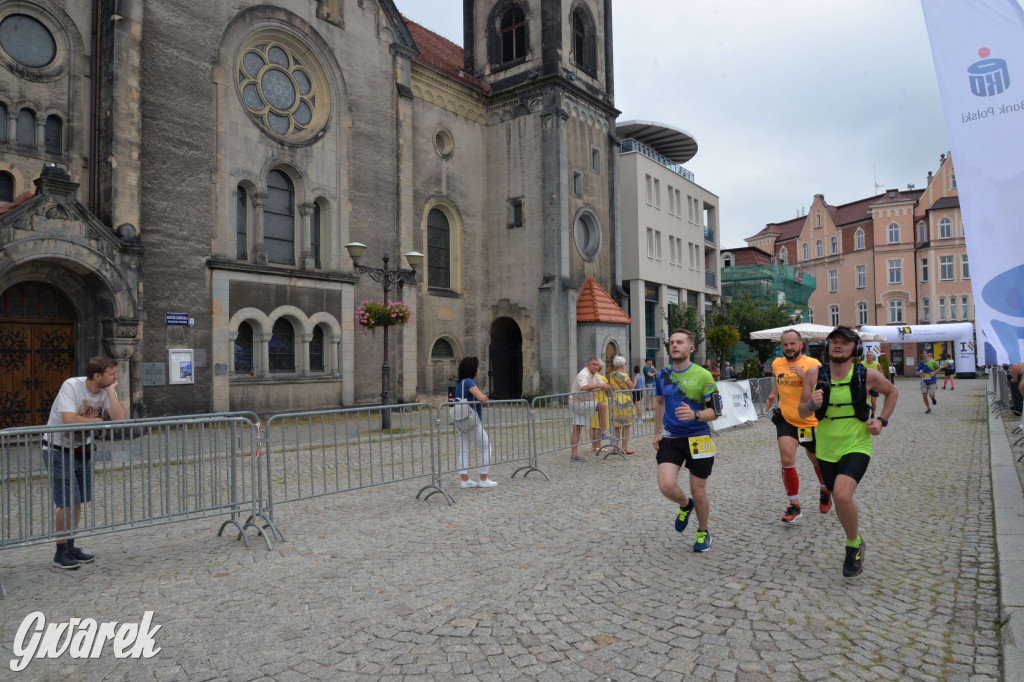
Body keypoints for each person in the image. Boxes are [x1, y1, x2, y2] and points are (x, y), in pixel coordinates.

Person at [798, 326, 898, 577]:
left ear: (856, 348)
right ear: (827, 346)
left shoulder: (867, 374)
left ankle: (853, 546)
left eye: (845, 342)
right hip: (826, 447)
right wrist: (812, 403)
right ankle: (855, 537)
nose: (838, 346)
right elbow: (802, 411)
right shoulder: (813, 374)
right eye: (834, 341)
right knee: (840, 499)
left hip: (857, 444)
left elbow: (892, 392)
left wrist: (882, 421)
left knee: (842, 496)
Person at [44, 356, 127, 569]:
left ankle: (70, 547)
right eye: (112, 373)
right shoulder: (72, 386)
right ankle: (60, 553)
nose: (116, 376)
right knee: (68, 501)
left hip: (83, 450)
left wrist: (110, 392)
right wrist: (98, 421)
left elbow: (119, 419)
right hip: (58, 450)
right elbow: (69, 420)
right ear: (97, 376)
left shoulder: (106, 389)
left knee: (78, 501)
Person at [654, 329, 721, 553]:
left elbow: (715, 413)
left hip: (699, 436)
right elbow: (660, 403)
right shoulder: (662, 375)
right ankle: (685, 505)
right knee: (666, 486)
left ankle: (703, 532)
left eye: (680, 342)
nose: (674, 345)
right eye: (672, 342)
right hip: (672, 437)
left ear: (690, 348)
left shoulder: (704, 376)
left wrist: (695, 415)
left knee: (699, 490)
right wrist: (657, 433)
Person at [765, 329, 831, 523]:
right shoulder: (777, 363)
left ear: (801, 345)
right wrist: (772, 394)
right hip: (786, 418)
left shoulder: (813, 364)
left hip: (810, 420)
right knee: (786, 458)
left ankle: (824, 488)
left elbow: (823, 389)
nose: (789, 347)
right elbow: (779, 381)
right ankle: (794, 505)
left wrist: (804, 376)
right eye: (785, 344)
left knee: (816, 460)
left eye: (792, 344)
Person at [454, 356, 497, 489]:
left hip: (462, 421)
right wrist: (485, 398)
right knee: (486, 447)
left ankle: (464, 479)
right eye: (477, 367)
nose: (478, 369)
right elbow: (481, 397)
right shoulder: (469, 382)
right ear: (472, 369)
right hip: (472, 422)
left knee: (464, 450)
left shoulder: (459, 383)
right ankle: (483, 478)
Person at [569, 357, 613, 462]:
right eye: (594, 364)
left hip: (582, 403)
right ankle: (603, 431)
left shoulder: (595, 374)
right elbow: (584, 387)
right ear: (588, 365)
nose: (596, 367)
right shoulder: (583, 374)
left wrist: (609, 389)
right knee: (602, 406)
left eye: (597, 365)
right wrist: (600, 385)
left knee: (577, 429)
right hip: (577, 403)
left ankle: (574, 455)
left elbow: (604, 384)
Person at [607, 356, 636, 454]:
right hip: (625, 401)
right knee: (626, 426)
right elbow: (632, 387)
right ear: (623, 365)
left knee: (616, 426)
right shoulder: (625, 376)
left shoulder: (611, 375)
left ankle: (616, 447)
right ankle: (624, 448)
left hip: (615, 401)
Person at [862, 350, 882, 418]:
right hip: (865, 384)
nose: (869, 356)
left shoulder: (877, 364)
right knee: (866, 400)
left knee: (873, 400)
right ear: (866, 356)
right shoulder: (862, 363)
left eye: (871, 355)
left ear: (873, 357)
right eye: (868, 355)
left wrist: (880, 381)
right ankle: (866, 412)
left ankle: (873, 414)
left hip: (874, 385)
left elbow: (881, 373)